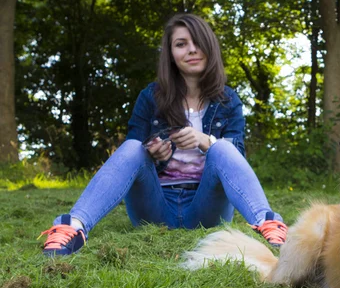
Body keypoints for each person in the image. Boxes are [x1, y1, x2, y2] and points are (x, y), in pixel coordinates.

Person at [38, 13, 287, 256]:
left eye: (197, 42)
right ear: (170, 54)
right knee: (133, 147)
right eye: (181, 44)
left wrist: (206, 142)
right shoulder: (150, 97)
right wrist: (153, 153)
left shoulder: (228, 100)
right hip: (155, 206)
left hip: (207, 208)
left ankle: (270, 227)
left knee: (222, 147)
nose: (191, 50)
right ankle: (72, 227)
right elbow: (132, 153)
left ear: (210, 47)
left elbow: (236, 158)